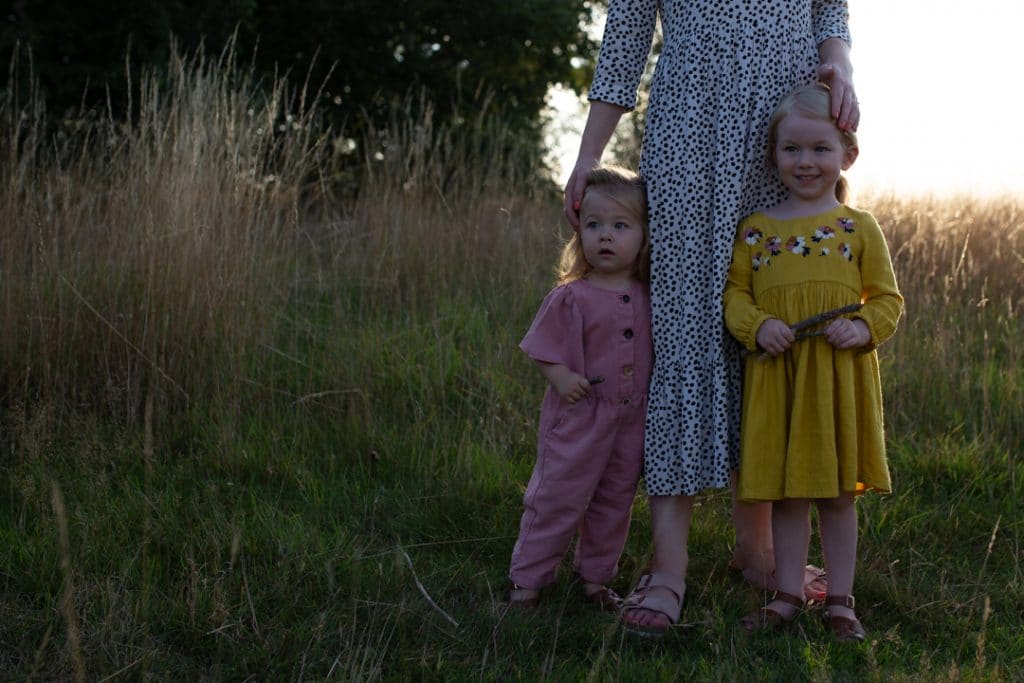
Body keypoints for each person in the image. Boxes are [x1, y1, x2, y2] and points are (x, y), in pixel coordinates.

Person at [563, 1, 861, 635]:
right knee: (687, 330)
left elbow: (828, 9)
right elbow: (624, 38)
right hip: (688, 129)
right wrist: (591, 152)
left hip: (783, 125)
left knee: (766, 329)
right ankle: (669, 566)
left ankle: (758, 550)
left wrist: (839, 65)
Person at [723, 83, 903, 641]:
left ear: (846, 154)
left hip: (835, 381)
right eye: (792, 149)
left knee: (836, 495)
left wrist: (862, 326)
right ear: (773, 155)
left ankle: (842, 601)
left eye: (820, 149)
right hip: (780, 378)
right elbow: (735, 296)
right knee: (788, 491)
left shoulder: (858, 226)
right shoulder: (757, 229)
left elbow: (888, 300)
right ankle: (788, 594)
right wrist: (760, 326)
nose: (805, 162)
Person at [508, 166, 652, 610]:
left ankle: (595, 578)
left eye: (620, 226)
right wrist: (561, 376)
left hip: (630, 421)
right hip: (580, 416)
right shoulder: (572, 296)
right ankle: (528, 581)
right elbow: (541, 347)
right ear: (579, 234)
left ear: (645, 236)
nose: (605, 236)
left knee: (614, 500)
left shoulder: (649, 294)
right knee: (557, 496)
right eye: (593, 226)